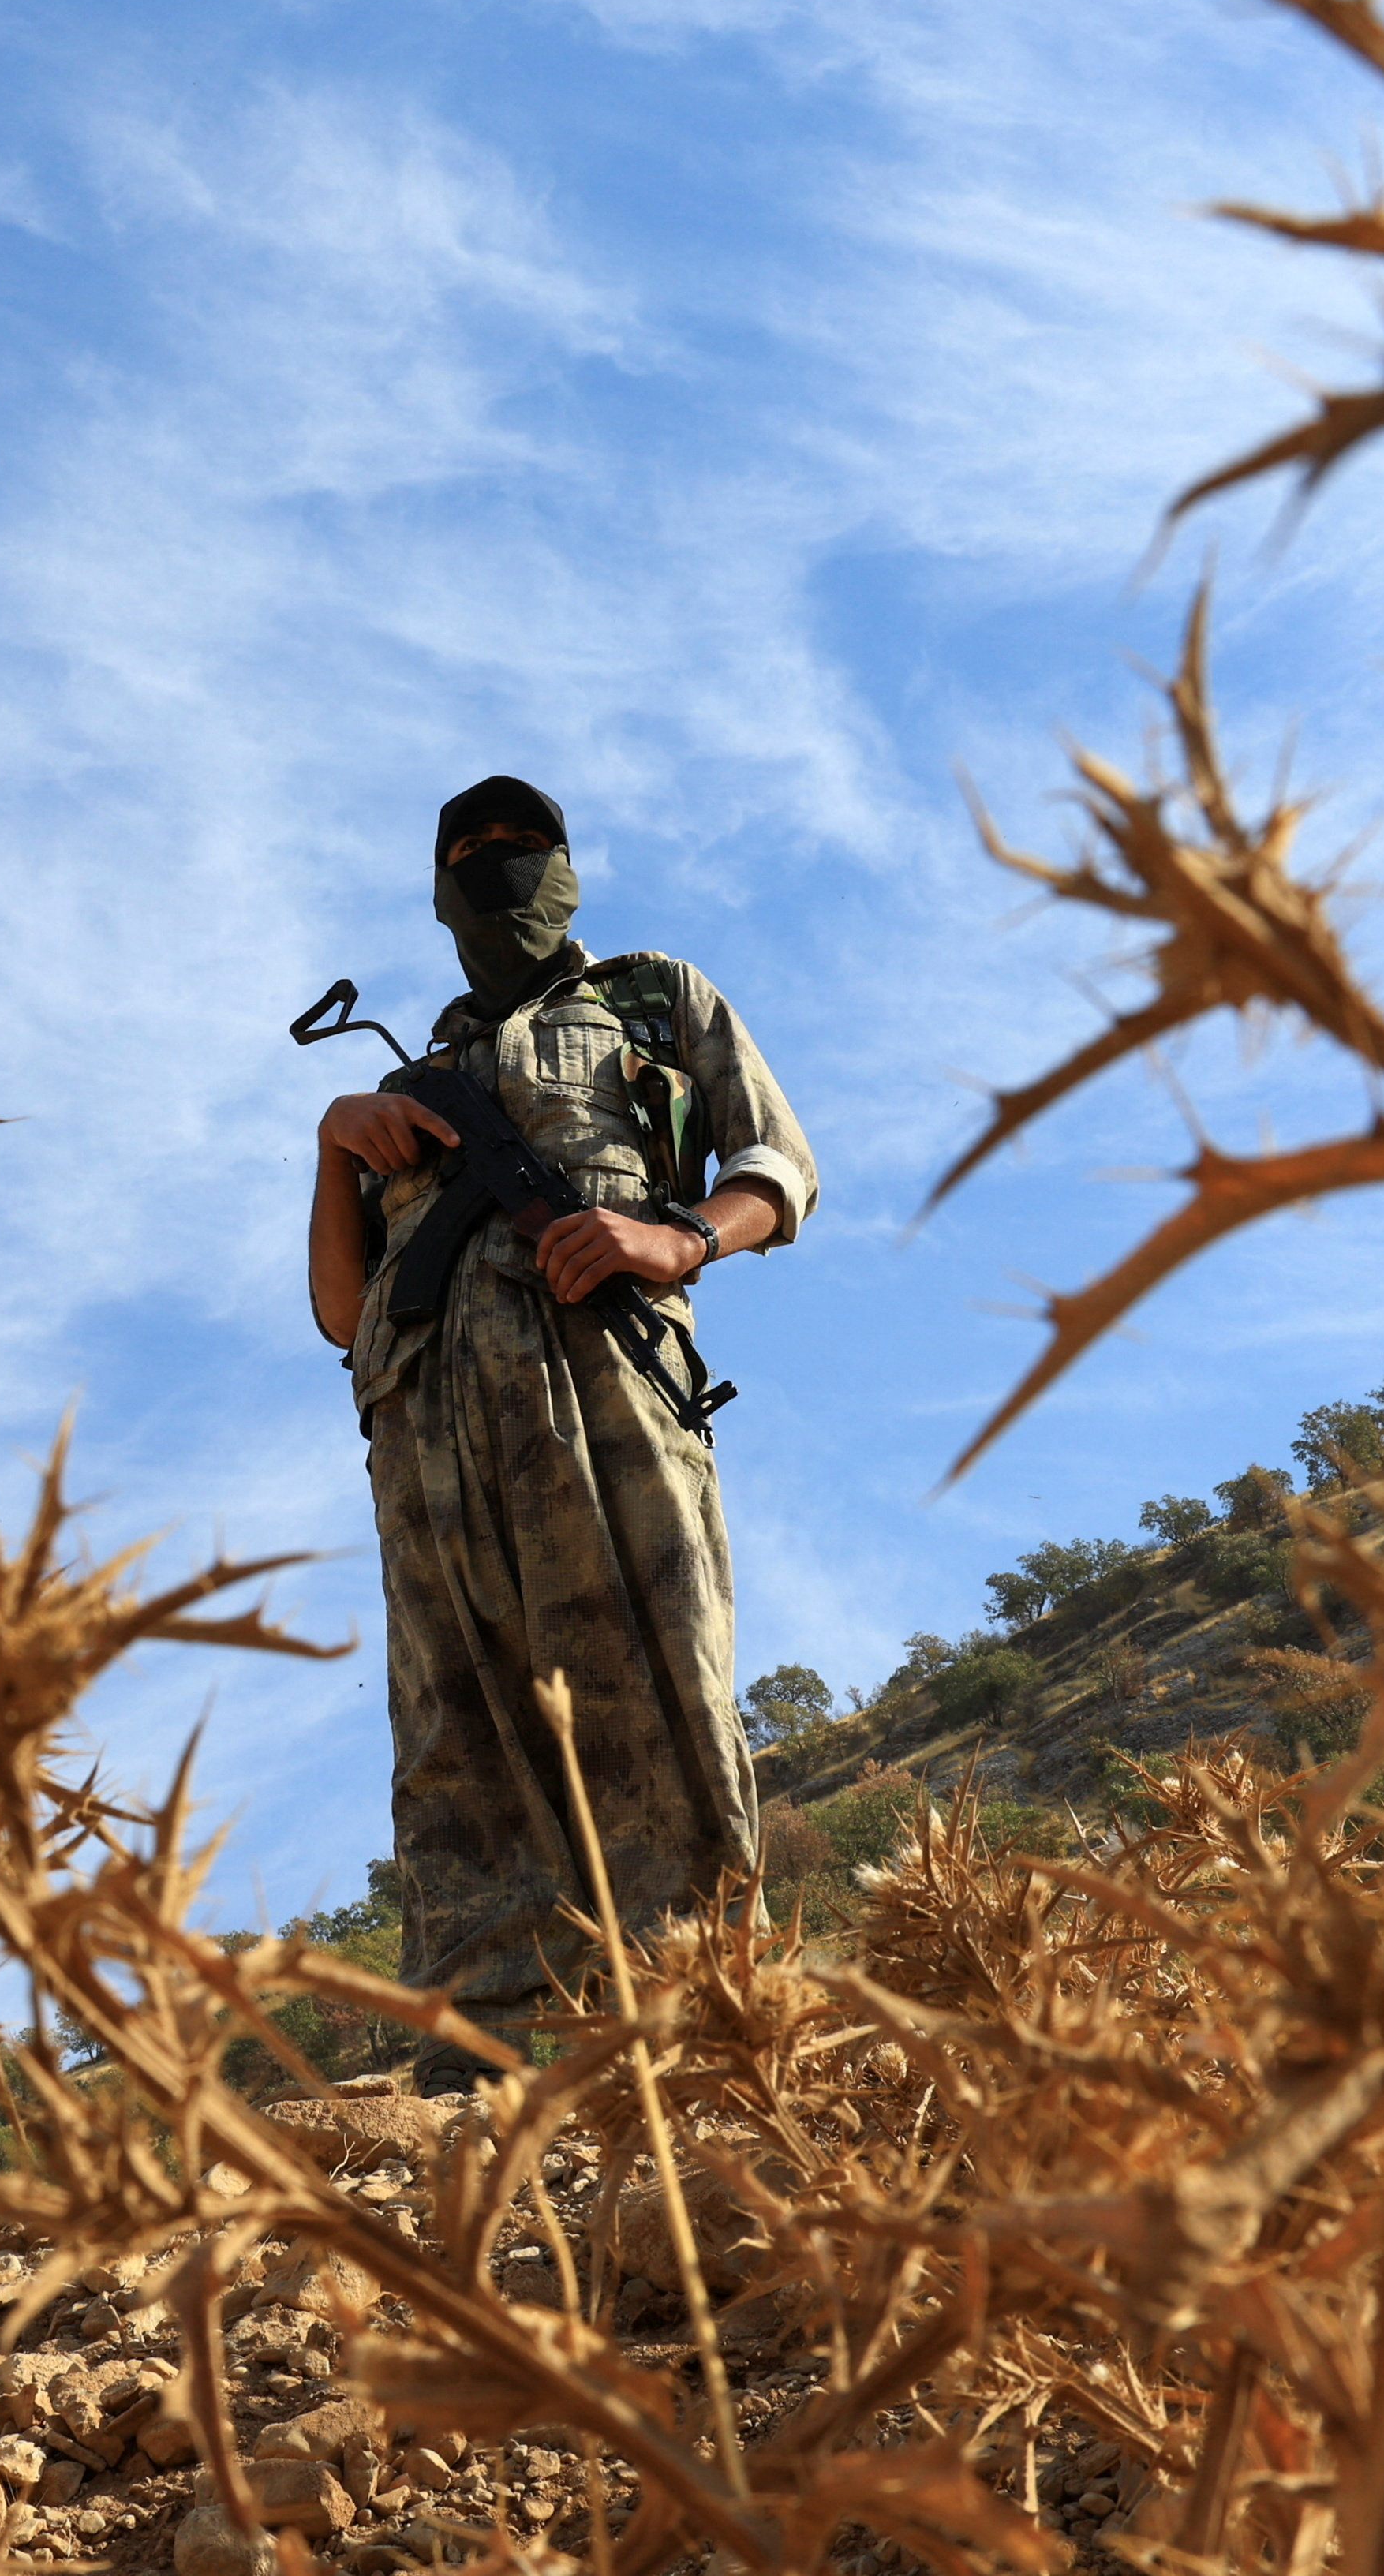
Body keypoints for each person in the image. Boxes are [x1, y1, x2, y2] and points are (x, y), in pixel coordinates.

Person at [305, 775, 817, 2088]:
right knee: (451, 1714)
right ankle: (481, 2040)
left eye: (522, 846)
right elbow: (339, 1310)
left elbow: (778, 1166)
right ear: (437, 892)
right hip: (423, 1425)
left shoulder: (653, 999)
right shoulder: (405, 1083)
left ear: (569, 868)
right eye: (468, 851)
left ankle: (699, 1998)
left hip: (604, 1377)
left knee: (654, 1675)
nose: (496, 867)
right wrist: (333, 1146)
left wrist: (676, 1235)